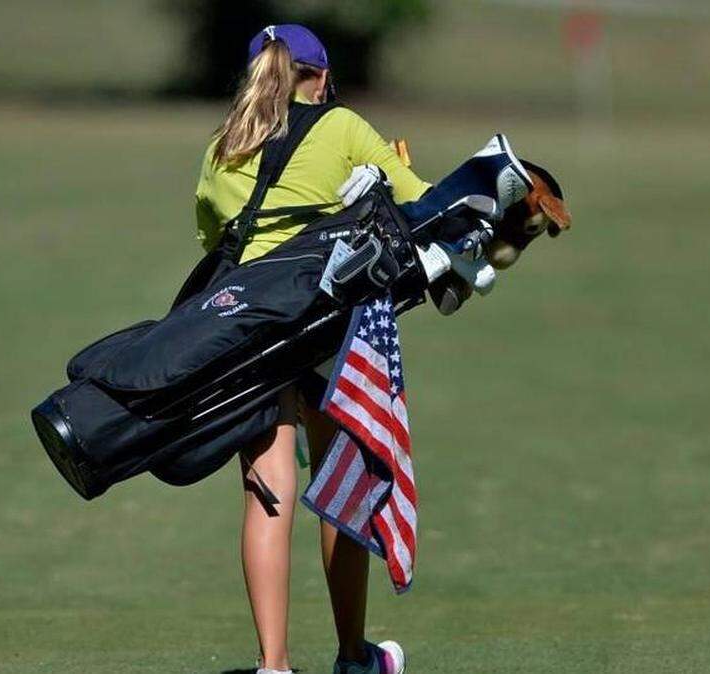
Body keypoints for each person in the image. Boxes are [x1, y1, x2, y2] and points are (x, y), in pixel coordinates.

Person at [194, 24, 428, 674]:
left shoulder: (221, 148)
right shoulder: (343, 127)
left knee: (267, 489)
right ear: (320, 77)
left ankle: (273, 666)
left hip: (248, 334)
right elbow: (422, 205)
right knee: (341, 484)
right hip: (326, 326)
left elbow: (212, 240)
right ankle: (353, 656)